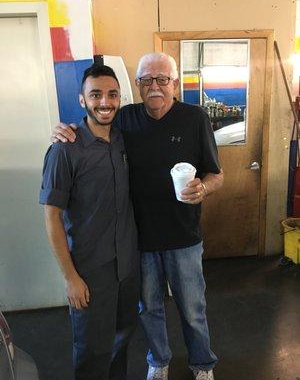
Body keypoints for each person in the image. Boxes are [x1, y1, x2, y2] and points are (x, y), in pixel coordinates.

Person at [52, 52, 224, 380]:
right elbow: (94, 120)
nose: (155, 86)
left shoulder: (195, 119)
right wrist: (64, 128)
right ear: (138, 85)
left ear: (175, 83)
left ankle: (202, 364)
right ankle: (158, 360)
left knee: (192, 309)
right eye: (147, 80)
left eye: (163, 80)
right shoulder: (125, 119)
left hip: (183, 236)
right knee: (150, 309)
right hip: (139, 241)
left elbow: (217, 174)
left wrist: (204, 189)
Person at [39, 64, 139, 380]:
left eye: (112, 94)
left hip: (127, 266)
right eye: (95, 95)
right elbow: (51, 216)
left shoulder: (124, 140)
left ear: (120, 98)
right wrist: (70, 278)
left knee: (122, 341)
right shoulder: (64, 149)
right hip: (90, 271)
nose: (105, 102)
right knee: (93, 352)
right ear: (82, 100)